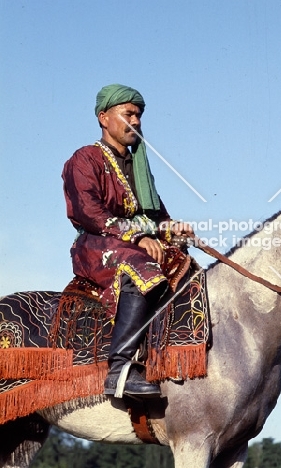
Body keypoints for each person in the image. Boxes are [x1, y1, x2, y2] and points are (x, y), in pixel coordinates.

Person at [62, 84, 193, 397]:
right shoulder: (85, 159)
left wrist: (174, 229)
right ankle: (119, 369)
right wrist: (138, 235)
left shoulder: (140, 169)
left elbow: (159, 216)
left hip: (130, 243)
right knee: (141, 267)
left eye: (139, 115)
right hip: (95, 244)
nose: (136, 121)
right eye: (129, 114)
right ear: (104, 118)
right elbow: (88, 211)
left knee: (183, 263)